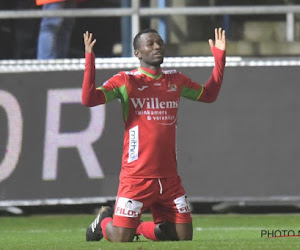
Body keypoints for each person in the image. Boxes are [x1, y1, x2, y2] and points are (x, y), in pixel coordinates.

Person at [82, 27, 226, 242]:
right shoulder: (126, 81)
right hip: (136, 177)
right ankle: (104, 220)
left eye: (160, 43)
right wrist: (90, 60)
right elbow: (89, 99)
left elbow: (209, 95)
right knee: (121, 238)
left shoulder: (175, 80)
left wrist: (220, 58)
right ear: (138, 53)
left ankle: (138, 228)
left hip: (169, 178)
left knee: (181, 236)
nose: (157, 47)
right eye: (150, 44)